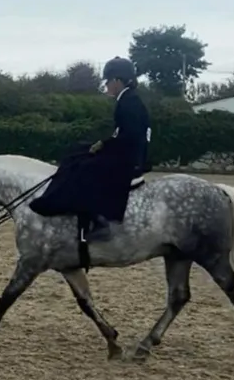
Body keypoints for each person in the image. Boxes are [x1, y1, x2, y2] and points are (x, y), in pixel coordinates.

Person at [29, 56, 152, 242]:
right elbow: (123, 133)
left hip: (128, 157)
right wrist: (104, 142)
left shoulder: (129, 102)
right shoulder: (127, 98)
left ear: (117, 80)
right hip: (126, 151)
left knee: (85, 168)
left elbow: (130, 135)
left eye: (108, 82)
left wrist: (104, 144)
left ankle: (100, 220)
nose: (107, 86)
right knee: (77, 151)